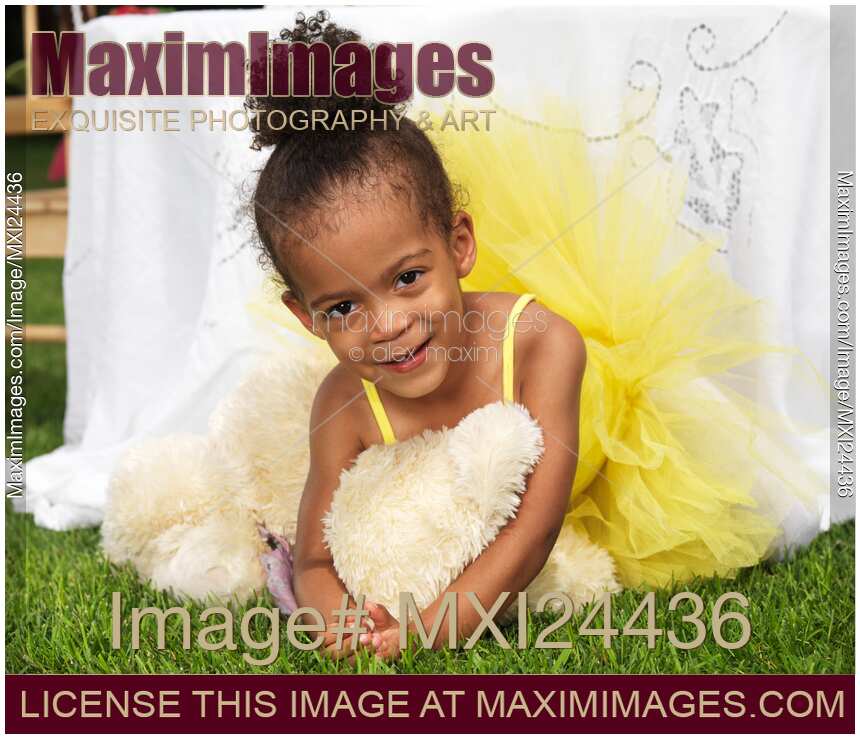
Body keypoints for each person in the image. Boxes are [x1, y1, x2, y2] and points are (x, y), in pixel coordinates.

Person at [247, 11, 824, 661]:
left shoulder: (542, 343)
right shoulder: (343, 403)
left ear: (459, 246)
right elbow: (315, 559)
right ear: (307, 316)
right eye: (345, 307)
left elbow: (533, 526)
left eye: (408, 278)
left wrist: (424, 628)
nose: (388, 325)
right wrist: (343, 622)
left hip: (588, 465)